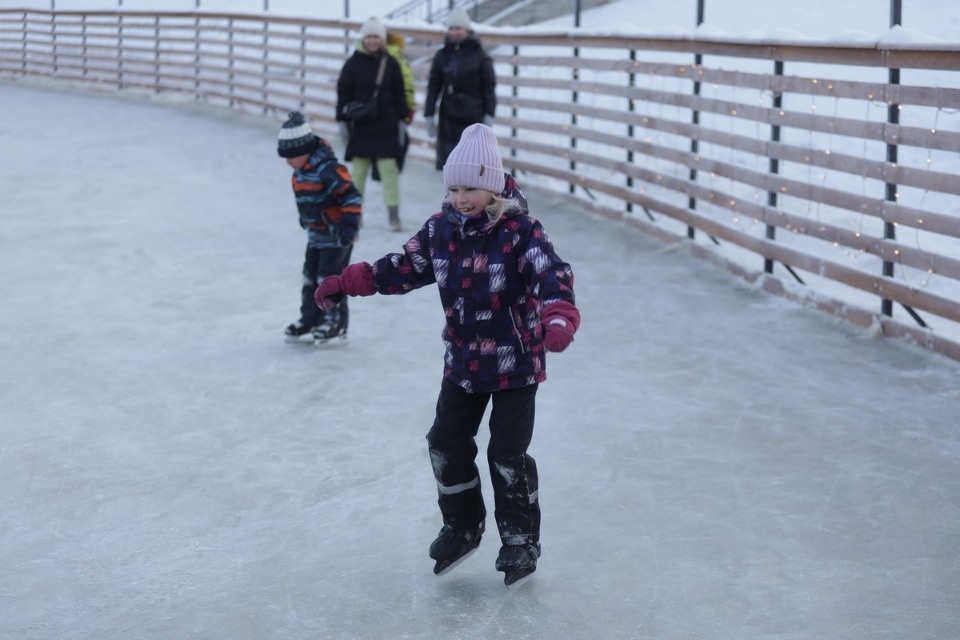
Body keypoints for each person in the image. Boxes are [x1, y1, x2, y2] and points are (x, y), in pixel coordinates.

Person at [313, 124, 581, 586]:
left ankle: (519, 539)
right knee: (445, 442)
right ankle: (462, 524)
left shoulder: (520, 232)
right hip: (462, 364)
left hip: (514, 363)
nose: (461, 197)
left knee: (506, 454)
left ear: (493, 185)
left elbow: (550, 276)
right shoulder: (441, 231)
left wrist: (559, 316)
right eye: (454, 187)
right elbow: (399, 268)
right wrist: (345, 282)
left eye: (471, 188)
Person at [277, 110, 362, 347]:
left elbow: (352, 197)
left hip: (337, 237)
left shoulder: (328, 169)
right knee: (309, 278)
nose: (288, 162)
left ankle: (335, 322)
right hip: (315, 235)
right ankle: (311, 318)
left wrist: (348, 227)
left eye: (290, 157)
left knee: (330, 281)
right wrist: (306, 218)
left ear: (303, 150)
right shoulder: (301, 170)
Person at [336, 16, 408, 232]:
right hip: (362, 126)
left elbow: (399, 94)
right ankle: (355, 214)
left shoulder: (392, 63)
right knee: (358, 172)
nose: (372, 41)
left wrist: (402, 121)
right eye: (369, 36)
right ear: (363, 38)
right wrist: (342, 120)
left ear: (382, 39)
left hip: (386, 125)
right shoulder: (352, 63)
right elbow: (343, 93)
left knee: (389, 171)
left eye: (376, 37)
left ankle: (393, 216)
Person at [423, 6, 497, 171]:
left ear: (467, 30)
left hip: (473, 114)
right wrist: (429, 112)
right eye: (451, 28)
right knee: (450, 165)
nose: (455, 32)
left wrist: (489, 114)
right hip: (448, 114)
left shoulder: (480, 55)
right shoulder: (442, 55)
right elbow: (434, 86)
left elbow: (489, 88)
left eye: (459, 28)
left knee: (472, 166)